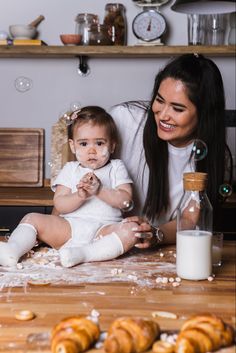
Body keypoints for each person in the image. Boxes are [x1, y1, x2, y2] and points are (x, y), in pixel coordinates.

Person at [108, 53, 232, 248]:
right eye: (159, 100)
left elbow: (190, 220)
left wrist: (155, 234)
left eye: (177, 108)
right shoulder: (125, 120)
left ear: (204, 114)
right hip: (105, 239)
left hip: (158, 251)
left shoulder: (214, 157)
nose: (163, 115)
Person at [0, 106, 139, 268]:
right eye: (84, 143)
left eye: (100, 143)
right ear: (73, 147)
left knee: (133, 230)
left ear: (113, 146)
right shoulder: (71, 169)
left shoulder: (116, 167)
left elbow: (125, 200)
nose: (92, 150)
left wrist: (99, 190)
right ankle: (12, 250)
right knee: (32, 217)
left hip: (104, 231)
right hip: (69, 228)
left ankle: (84, 254)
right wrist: (79, 196)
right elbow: (60, 204)